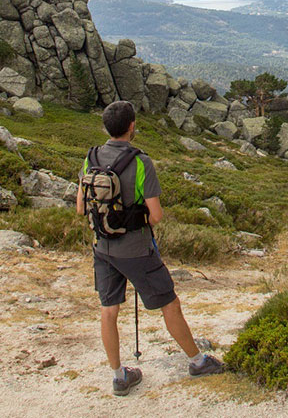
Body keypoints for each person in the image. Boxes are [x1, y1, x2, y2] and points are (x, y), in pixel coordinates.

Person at [77, 100, 225, 396]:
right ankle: (197, 361)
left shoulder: (90, 158)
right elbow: (155, 216)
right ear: (132, 126)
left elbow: (81, 209)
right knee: (169, 303)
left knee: (108, 310)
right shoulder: (140, 162)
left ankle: (119, 376)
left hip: (102, 248)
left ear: (105, 127)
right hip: (137, 251)